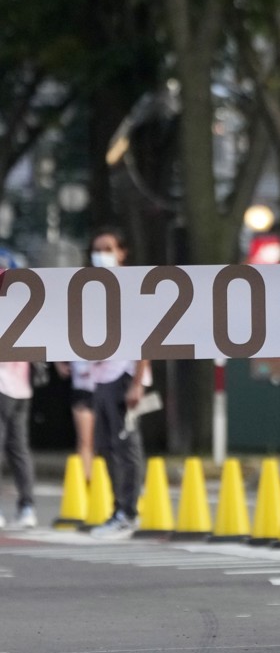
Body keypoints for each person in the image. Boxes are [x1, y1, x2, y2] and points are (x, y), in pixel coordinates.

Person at [86, 230, 150, 539]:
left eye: (108, 249)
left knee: (126, 446)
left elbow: (147, 337)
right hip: (101, 376)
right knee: (106, 447)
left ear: (122, 252)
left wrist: (137, 382)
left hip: (124, 374)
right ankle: (118, 509)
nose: (102, 255)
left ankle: (130, 511)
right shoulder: (95, 288)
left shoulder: (132, 287)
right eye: (97, 250)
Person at [0, 360, 37, 529]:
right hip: (22, 388)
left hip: (4, 384)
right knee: (19, 450)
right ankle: (27, 507)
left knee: (18, 449)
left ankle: (26, 507)